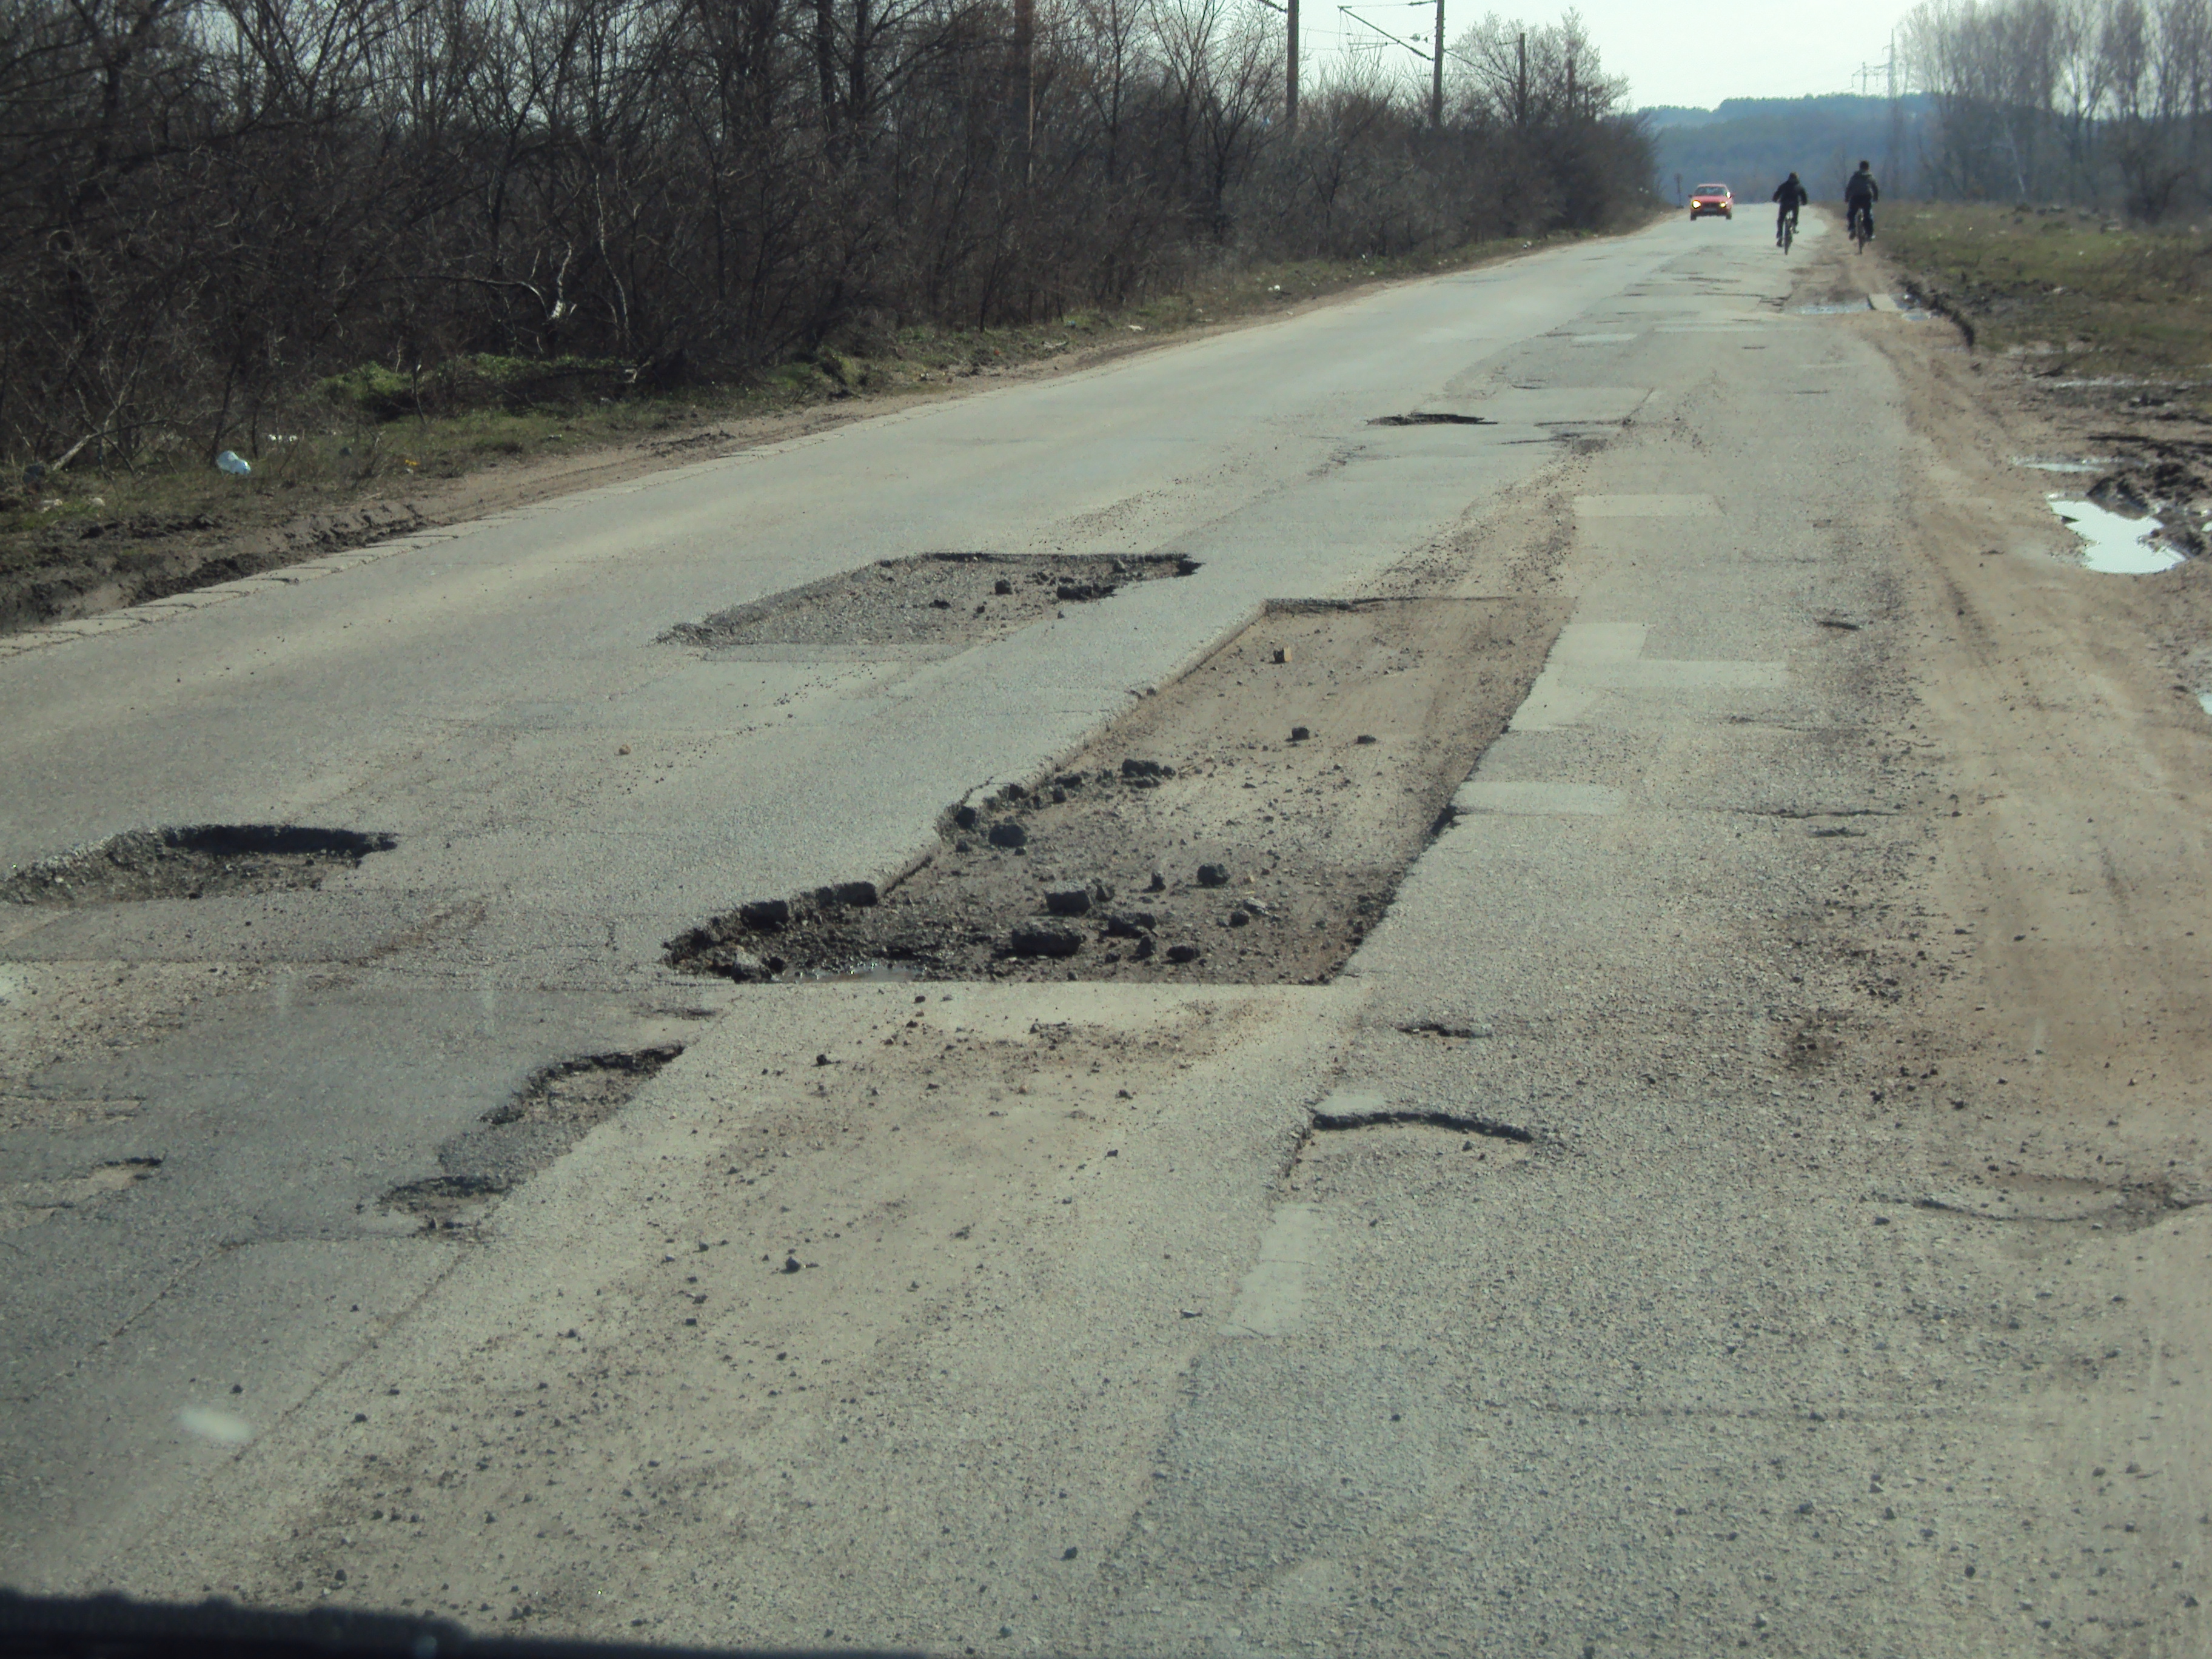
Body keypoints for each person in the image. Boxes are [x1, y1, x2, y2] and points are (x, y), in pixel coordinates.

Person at [1844, 160, 1880, 240]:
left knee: (1851, 213)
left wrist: (1847, 198)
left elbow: (1849, 188)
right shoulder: (1870, 176)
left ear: (1860, 167)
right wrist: (1876, 198)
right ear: (1868, 168)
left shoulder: (1855, 176)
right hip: (1866, 197)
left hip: (1855, 197)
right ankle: (1870, 234)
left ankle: (1852, 228)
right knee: (1868, 215)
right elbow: (1875, 188)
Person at [1772, 172, 1810, 245]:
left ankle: (1780, 234)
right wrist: (1804, 202)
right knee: (1795, 217)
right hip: (1794, 204)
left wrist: (1775, 199)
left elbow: (1777, 194)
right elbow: (1804, 196)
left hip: (1784, 204)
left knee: (1781, 219)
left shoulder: (1784, 186)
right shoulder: (1799, 186)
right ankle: (1794, 227)